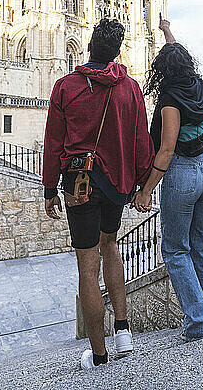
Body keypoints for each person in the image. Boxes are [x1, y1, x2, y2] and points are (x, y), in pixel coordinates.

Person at [42, 19, 155, 369]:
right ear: (117, 51)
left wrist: (49, 188)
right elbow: (141, 142)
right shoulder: (131, 89)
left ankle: (99, 355)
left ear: (89, 47)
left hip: (80, 188)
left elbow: (53, 141)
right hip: (117, 187)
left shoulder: (65, 87)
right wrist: (141, 186)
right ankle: (123, 332)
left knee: (87, 268)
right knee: (111, 247)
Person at [132, 15, 203, 341]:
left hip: (183, 174)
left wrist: (145, 191)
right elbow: (177, 54)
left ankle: (198, 323)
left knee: (174, 250)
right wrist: (167, 31)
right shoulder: (197, 85)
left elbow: (166, 151)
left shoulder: (171, 100)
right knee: (200, 245)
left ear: (163, 71)